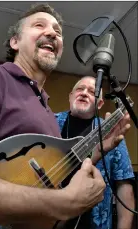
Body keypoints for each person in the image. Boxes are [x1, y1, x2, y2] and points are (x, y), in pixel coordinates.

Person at [0, 3, 131, 229]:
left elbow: (47, 185)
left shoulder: (45, 111)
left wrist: (96, 153)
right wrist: (64, 202)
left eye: (58, 31)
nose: (52, 33)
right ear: (15, 42)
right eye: (39, 25)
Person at [55, 76, 135, 229]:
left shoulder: (111, 132)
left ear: (100, 104)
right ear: (70, 97)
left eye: (92, 92)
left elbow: (124, 185)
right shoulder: (49, 122)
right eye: (80, 89)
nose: (84, 93)